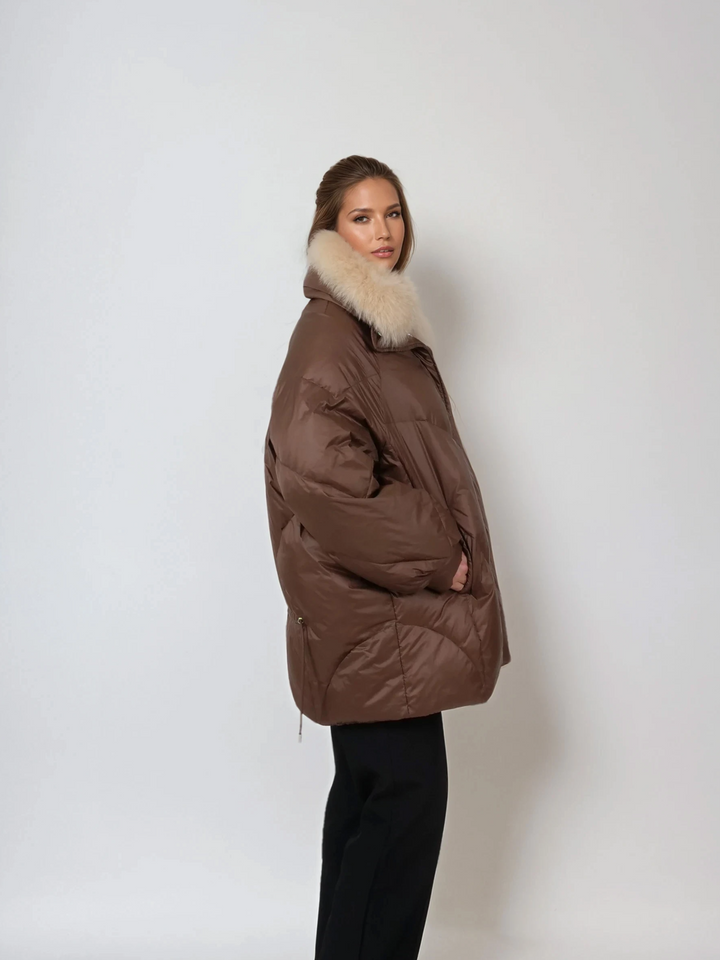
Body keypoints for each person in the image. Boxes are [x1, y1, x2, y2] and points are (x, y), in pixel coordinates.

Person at [263, 155, 511, 960]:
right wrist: (441, 554)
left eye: (393, 213)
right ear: (330, 230)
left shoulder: (374, 328)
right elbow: (325, 482)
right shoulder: (334, 335)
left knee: (373, 810)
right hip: (372, 619)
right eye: (362, 217)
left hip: (380, 621)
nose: (383, 231)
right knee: (403, 803)